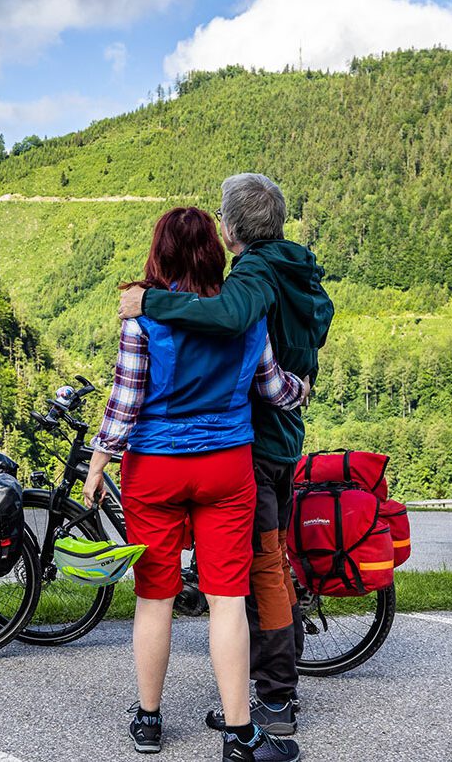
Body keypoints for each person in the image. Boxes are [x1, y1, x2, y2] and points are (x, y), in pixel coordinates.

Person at [84, 206, 307, 762]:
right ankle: (239, 735)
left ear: (159, 253)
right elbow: (275, 389)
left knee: (154, 597)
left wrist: (99, 461)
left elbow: (126, 401)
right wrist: (304, 389)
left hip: (154, 471)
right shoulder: (243, 316)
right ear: (214, 249)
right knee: (227, 600)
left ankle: (149, 721)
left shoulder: (141, 318)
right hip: (227, 469)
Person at [118, 174, 333, 738]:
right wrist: (302, 387)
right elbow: (277, 374)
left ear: (234, 228)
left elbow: (227, 321)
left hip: (247, 449)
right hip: (266, 443)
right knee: (251, 576)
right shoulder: (294, 265)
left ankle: (274, 700)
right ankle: (257, 702)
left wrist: (150, 301)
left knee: (255, 573)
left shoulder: (253, 280)